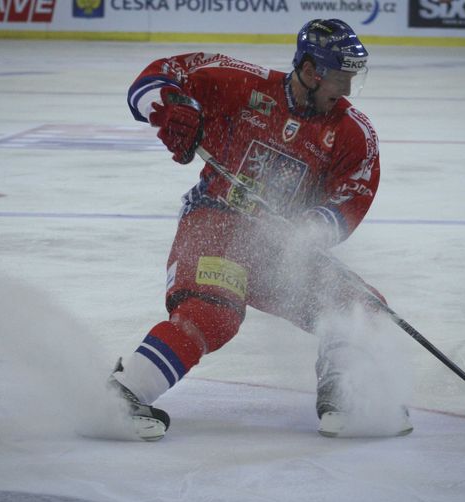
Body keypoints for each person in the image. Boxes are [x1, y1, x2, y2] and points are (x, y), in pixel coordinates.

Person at [110, 19, 411, 441]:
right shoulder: (242, 85)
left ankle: (346, 398)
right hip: (217, 222)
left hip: (280, 248)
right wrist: (172, 107)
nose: (345, 90)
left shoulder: (353, 134)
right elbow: (159, 76)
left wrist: (310, 231)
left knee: (360, 310)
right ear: (309, 71)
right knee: (213, 310)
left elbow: (351, 198)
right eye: (339, 77)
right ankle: (123, 394)